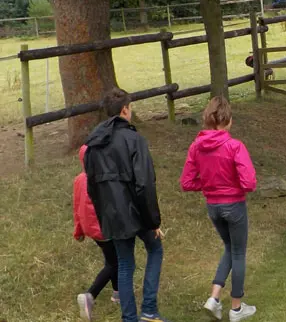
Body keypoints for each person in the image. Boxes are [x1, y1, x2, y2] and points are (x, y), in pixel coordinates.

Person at [84, 88, 167, 322]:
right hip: (136, 212)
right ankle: (149, 310)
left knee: (124, 264)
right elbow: (145, 184)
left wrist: (104, 217)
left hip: (112, 215)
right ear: (124, 110)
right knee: (155, 248)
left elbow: (92, 187)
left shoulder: (93, 145)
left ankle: (129, 318)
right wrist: (153, 221)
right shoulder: (134, 140)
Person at [181, 97, 258, 322]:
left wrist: (207, 186)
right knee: (238, 252)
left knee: (229, 247)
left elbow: (186, 182)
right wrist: (231, 187)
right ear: (228, 120)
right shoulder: (235, 146)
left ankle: (214, 298)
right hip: (234, 205)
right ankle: (236, 308)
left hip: (213, 207)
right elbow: (249, 183)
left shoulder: (196, 147)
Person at [73, 144, 119, 321]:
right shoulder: (102, 179)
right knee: (115, 262)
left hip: (90, 229)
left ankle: (117, 294)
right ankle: (90, 295)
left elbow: (77, 207)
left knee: (112, 259)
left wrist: (78, 230)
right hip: (104, 229)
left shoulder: (78, 179)